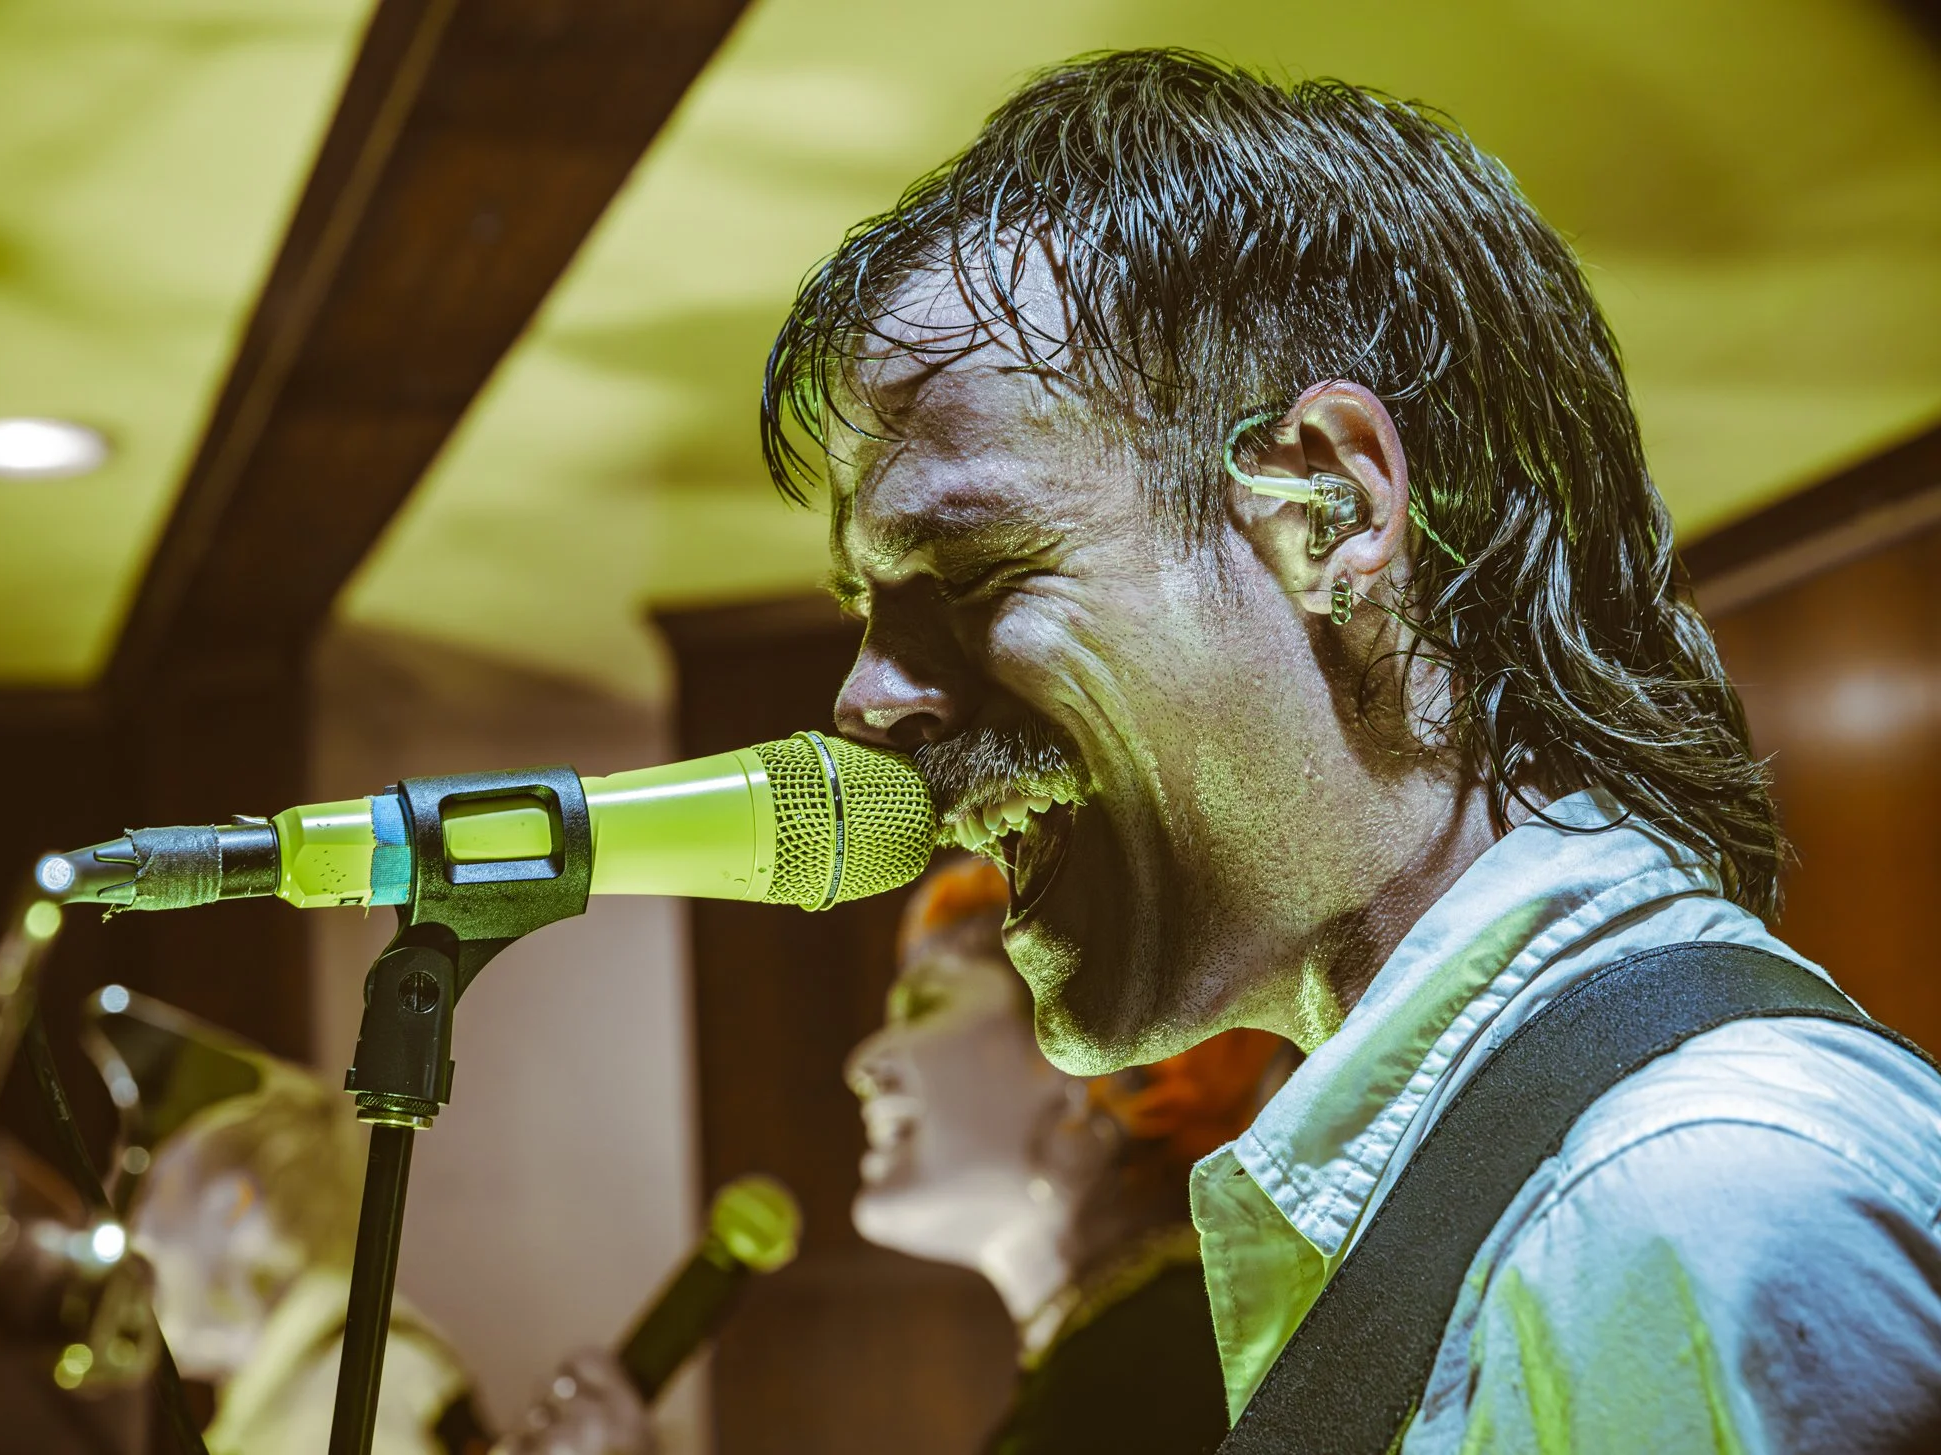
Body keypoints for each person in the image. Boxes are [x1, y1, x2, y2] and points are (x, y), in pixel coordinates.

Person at [762, 48, 1941, 1452]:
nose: (867, 701)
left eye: (968, 568)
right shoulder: (1559, 1194)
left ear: (1325, 508)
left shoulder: (1693, 1203)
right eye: (861, 609)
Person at [847, 855, 1282, 1454]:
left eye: (926, 1004)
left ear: (1092, 1050)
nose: (864, 1066)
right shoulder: (1145, 1355)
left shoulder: (1150, 1373)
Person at [117, 1002, 490, 1455]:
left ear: (231, 1207)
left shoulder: (359, 1389)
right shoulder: (318, 1384)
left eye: (155, 1197)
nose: (134, 1236)